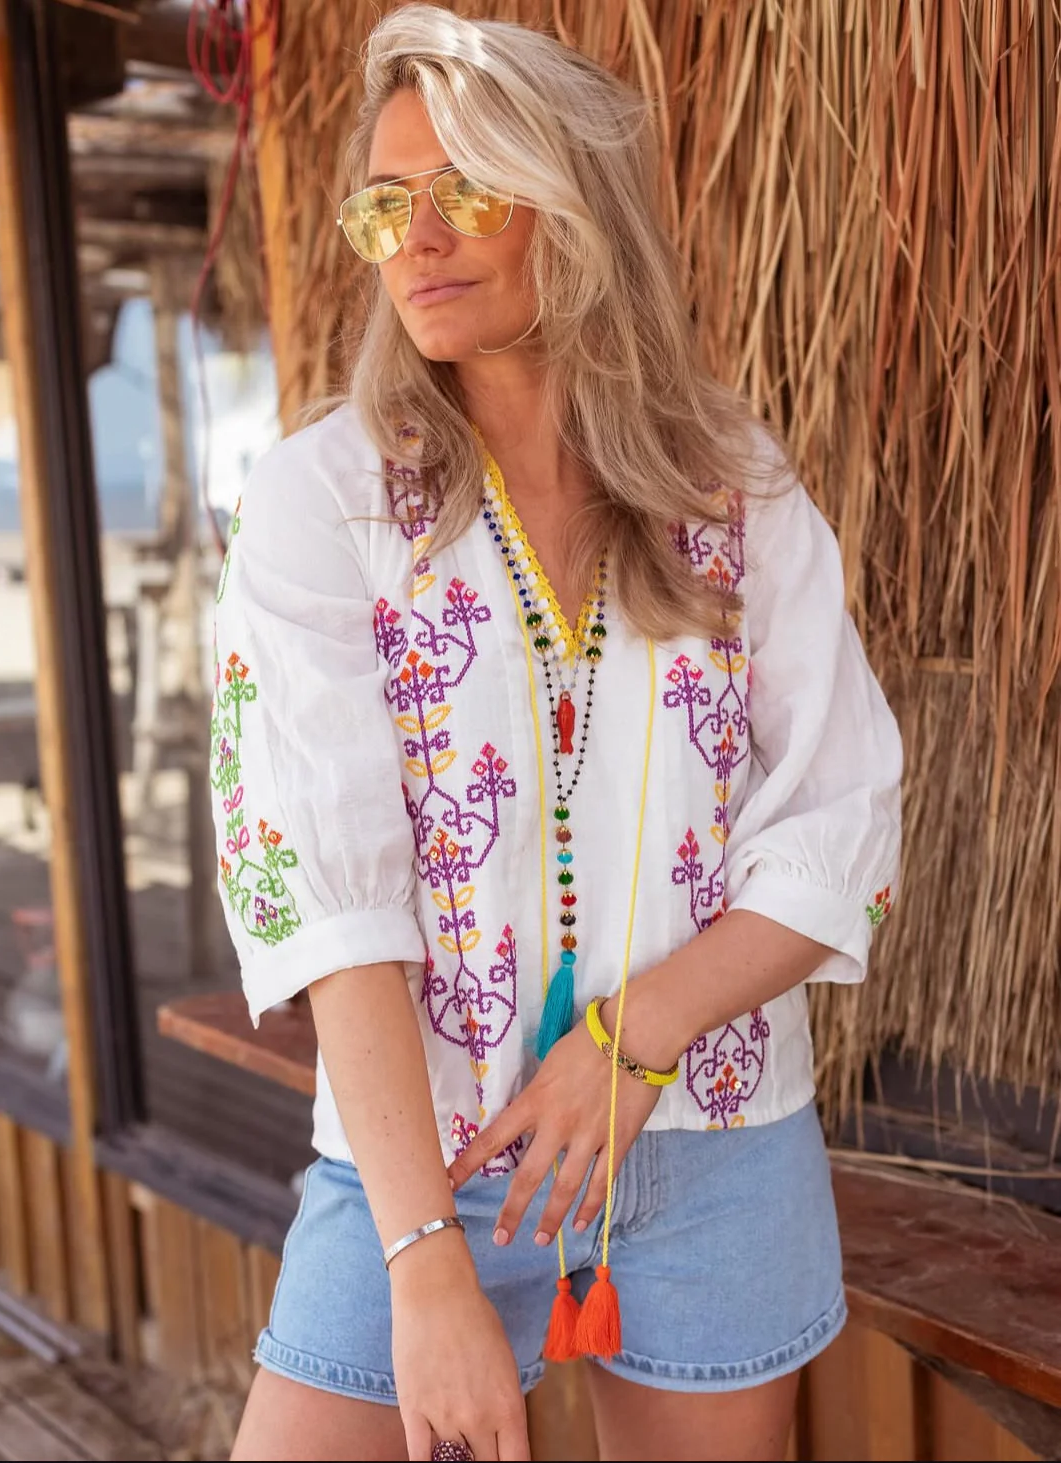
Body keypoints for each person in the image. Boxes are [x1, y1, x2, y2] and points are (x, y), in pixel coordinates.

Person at [211, 5, 902, 1460]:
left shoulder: (731, 487)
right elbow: (329, 895)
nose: (417, 239)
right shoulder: (325, 502)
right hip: (426, 1168)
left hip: (712, 1142)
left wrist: (628, 1042)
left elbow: (838, 825)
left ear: (571, 206)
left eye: (465, 193)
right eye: (385, 205)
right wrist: (422, 1267)